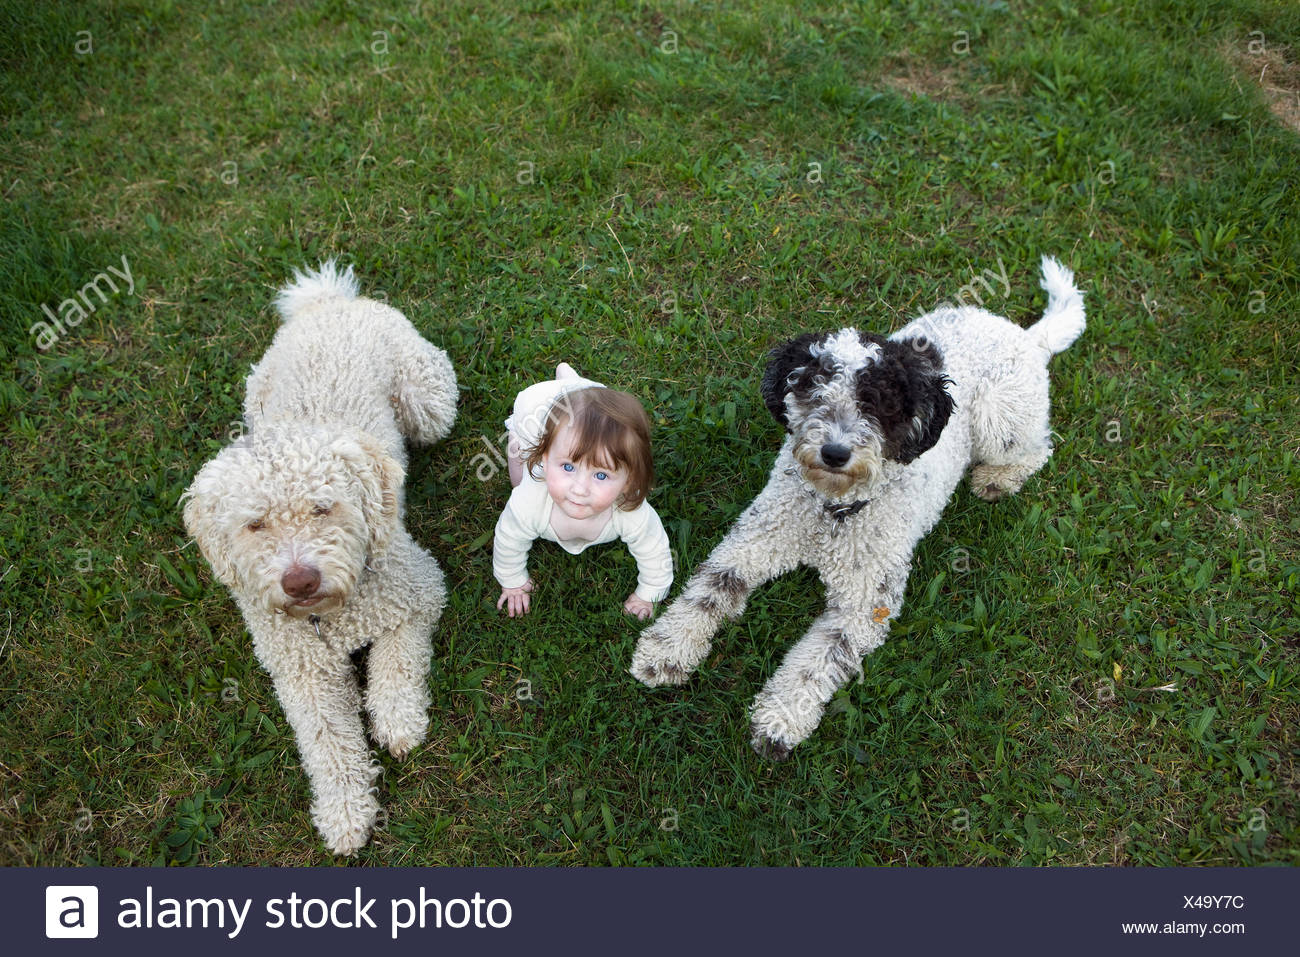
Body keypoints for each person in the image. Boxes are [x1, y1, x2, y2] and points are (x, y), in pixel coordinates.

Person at [493, 364, 672, 620]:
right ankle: (556, 393)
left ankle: (570, 381)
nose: (579, 489)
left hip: (573, 424)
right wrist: (513, 582)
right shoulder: (530, 499)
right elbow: (508, 538)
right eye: (568, 467)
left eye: (601, 475)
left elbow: (655, 550)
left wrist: (648, 594)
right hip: (539, 410)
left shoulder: (629, 509)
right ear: (545, 459)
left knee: (586, 409)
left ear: (629, 481)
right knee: (518, 475)